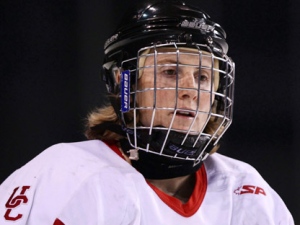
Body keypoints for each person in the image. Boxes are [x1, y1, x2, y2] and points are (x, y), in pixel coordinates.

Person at [0, 0, 294, 224]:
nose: (191, 90)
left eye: (203, 77)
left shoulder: (245, 189)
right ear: (123, 82)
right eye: (170, 71)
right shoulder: (69, 174)